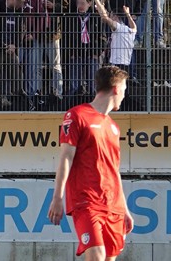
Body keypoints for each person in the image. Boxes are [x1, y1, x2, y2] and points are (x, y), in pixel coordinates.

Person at [48, 66, 133, 261]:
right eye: (124, 89)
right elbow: (66, 157)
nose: (124, 95)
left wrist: (125, 209)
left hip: (113, 204)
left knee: (108, 257)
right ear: (116, 89)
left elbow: (114, 170)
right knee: (97, 256)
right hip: (87, 201)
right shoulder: (76, 115)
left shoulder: (113, 127)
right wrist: (58, 197)